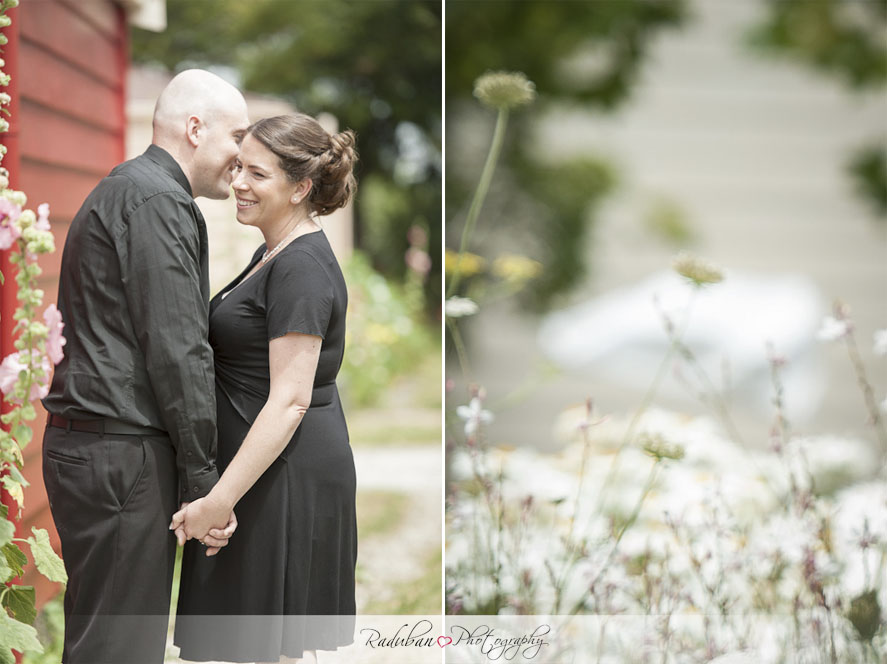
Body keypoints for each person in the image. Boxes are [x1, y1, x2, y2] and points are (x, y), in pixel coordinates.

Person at [41, 69, 249, 664]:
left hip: (101, 452)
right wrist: (205, 481)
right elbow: (178, 348)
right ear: (194, 128)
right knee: (119, 650)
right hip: (121, 458)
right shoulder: (157, 201)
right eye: (236, 136)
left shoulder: (129, 189)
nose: (241, 154)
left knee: (104, 639)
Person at [172, 114, 358, 664]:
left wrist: (218, 500)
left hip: (283, 479)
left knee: (257, 649)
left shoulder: (300, 266)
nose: (238, 183)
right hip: (259, 472)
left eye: (257, 173)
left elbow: (291, 400)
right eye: (238, 169)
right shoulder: (272, 253)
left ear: (300, 188)